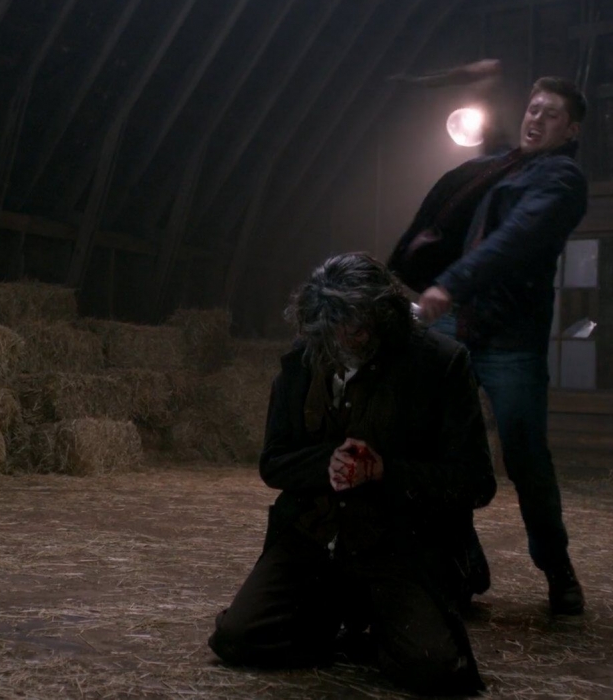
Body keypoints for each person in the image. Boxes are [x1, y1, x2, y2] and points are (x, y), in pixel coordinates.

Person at [208, 253, 495, 697]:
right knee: (237, 639)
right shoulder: (303, 361)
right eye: (333, 327)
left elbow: (475, 482)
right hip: (317, 534)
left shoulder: (440, 363)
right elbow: (274, 461)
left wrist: (385, 470)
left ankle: (384, 618)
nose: (345, 338)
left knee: (436, 670)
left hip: (399, 541)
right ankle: (344, 618)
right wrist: (327, 462)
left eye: (357, 327)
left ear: (385, 315)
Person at [388, 75, 589, 615]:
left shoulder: (561, 180)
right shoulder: (500, 168)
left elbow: (514, 238)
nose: (536, 119)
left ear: (570, 130)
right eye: (533, 108)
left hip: (510, 338)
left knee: (525, 456)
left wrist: (449, 285)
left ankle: (557, 569)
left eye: (550, 114)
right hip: (456, 325)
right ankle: (459, 567)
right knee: (431, 445)